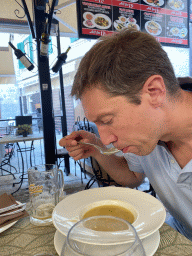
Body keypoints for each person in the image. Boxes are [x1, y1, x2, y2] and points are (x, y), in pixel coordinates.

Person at [59, 28, 192, 240]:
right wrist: (96, 149)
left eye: (108, 120)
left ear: (155, 92)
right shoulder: (148, 134)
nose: (106, 139)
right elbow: (132, 177)